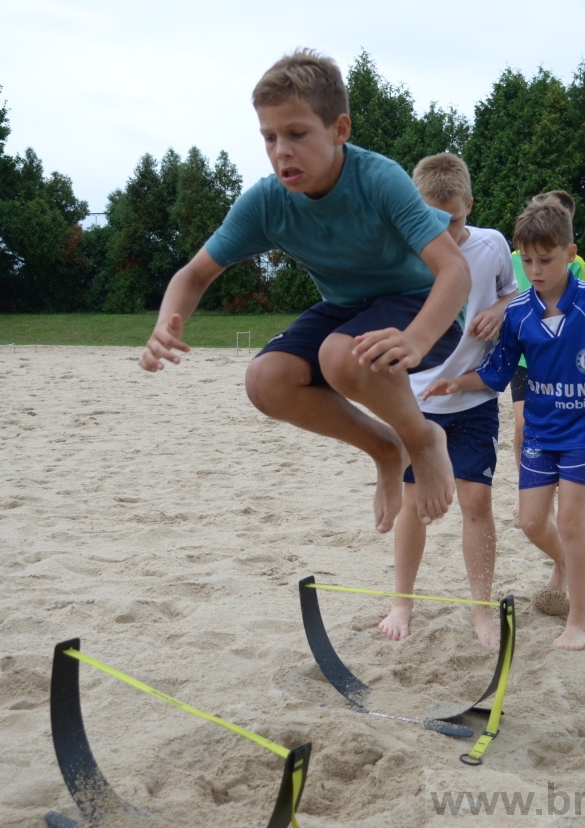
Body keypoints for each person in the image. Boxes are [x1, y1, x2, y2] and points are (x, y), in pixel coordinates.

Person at [139, 49, 470, 533]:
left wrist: (418, 338)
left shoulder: (379, 180)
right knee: (266, 380)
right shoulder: (267, 202)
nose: (281, 151)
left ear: (340, 130)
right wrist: (166, 322)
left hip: (423, 307)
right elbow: (192, 275)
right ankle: (385, 448)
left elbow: (455, 271)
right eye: (269, 138)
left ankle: (421, 440)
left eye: (296, 134)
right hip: (346, 308)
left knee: (342, 355)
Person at [423, 191, 585, 651]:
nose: (536, 270)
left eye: (545, 260)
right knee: (529, 523)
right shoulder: (519, 311)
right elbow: (497, 372)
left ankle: (579, 619)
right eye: (527, 261)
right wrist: (455, 383)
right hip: (540, 432)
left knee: (570, 521)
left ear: (570, 254)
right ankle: (568, 566)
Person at [376, 153, 519, 648]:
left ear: (469, 206)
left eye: (454, 219)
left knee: (477, 500)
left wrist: (500, 310)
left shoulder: (492, 245)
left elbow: (512, 293)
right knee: (415, 505)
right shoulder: (399, 255)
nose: (446, 230)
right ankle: (402, 603)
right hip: (415, 403)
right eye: (431, 219)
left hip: (474, 395)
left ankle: (481, 608)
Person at [508, 244, 585, 516]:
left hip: (557, 360)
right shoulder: (511, 259)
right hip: (522, 359)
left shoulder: (576, 262)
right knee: (522, 422)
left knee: (553, 425)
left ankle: (551, 487)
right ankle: (525, 486)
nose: (534, 268)